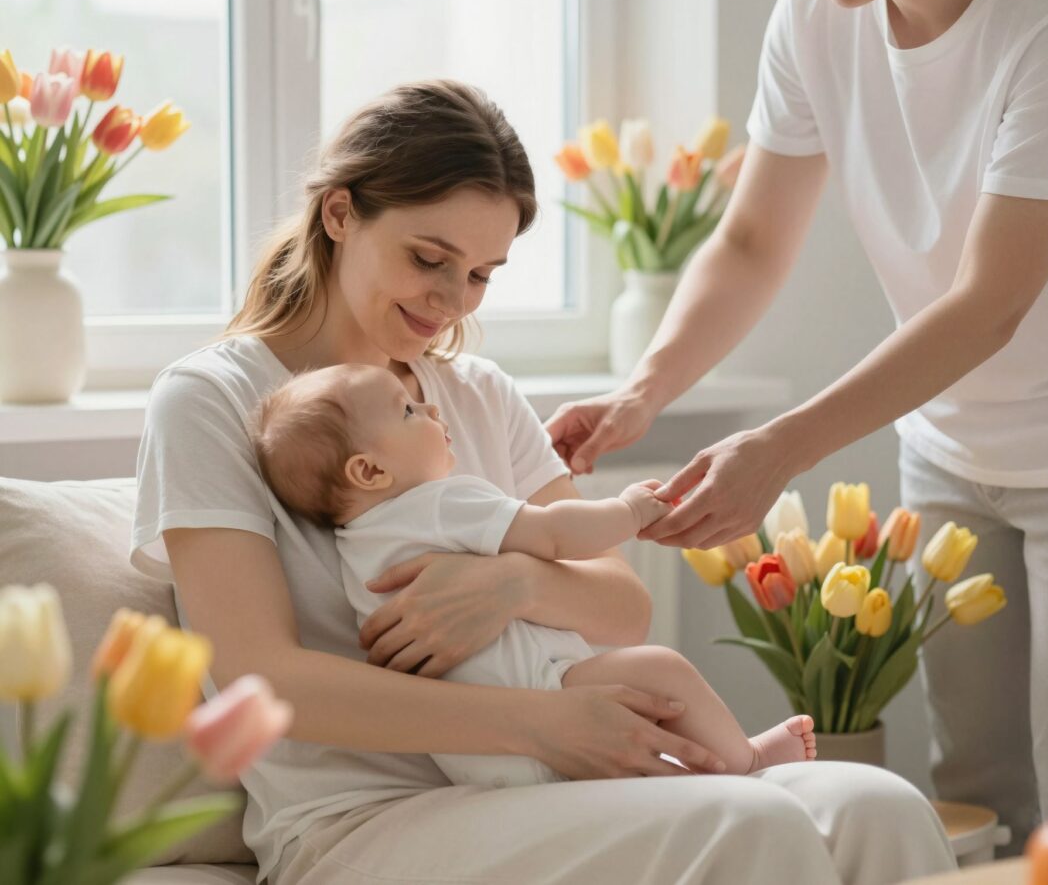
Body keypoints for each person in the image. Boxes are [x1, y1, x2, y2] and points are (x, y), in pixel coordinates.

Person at [131, 79, 955, 885]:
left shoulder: (478, 394)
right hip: (361, 818)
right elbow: (259, 680)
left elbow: (623, 605)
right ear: (340, 213)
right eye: (429, 258)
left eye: (482, 274)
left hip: (544, 787)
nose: (452, 301)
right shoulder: (212, 400)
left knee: (878, 805)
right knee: (754, 823)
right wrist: (543, 724)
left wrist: (512, 584)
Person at [546, 0, 1048, 857]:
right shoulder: (818, 12)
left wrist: (780, 447)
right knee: (976, 794)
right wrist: (643, 391)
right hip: (948, 445)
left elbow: (988, 305)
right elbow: (750, 243)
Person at [249, 362, 819, 790]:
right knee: (660, 669)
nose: (433, 412)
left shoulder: (358, 547)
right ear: (370, 469)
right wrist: (629, 510)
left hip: (476, 758)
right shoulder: (439, 505)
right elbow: (551, 533)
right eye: (408, 412)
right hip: (543, 705)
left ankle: (695, 771)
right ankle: (747, 762)